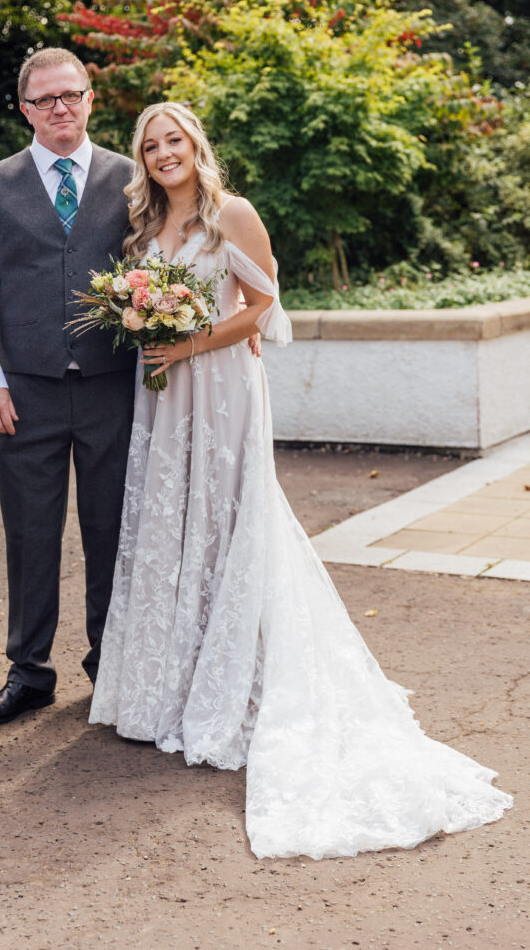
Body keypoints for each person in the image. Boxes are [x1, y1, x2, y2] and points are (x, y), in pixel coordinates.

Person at [89, 101, 513, 860]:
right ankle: (170, 683)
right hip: (162, 394)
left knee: (226, 517)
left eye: (173, 140)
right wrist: (148, 331)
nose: (161, 153)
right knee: (172, 519)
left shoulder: (232, 215)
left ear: (195, 144)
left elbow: (262, 306)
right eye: (150, 145)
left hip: (217, 386)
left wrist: (187, 343)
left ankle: (240, 679)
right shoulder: (143, 230)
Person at [0, 48, 138, 724]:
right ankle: (29, 672)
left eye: (71, 95)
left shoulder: (133, 177)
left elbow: (171, 264)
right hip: (21, 391)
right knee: (30, 533)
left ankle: (110, 667)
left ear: (91, 98)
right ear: (25, 109)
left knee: (112, 529)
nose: (60, 107)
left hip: (114, 388)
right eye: (45, 99)